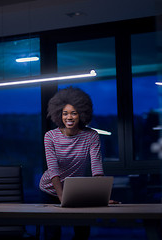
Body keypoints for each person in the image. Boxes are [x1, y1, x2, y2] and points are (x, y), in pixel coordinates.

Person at [39, 86, 104, 240]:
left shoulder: (91, 136)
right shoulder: (50, 136)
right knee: (53, 234)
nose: (69, 117)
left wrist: (101, 196)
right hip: (50, 190)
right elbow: (53, 169)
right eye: (65, 113)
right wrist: (62, 198)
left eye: (74, 113)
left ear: (81, 114)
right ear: (59, 114)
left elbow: (96, 167)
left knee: (82, 233)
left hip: (76, 191)